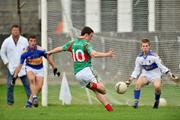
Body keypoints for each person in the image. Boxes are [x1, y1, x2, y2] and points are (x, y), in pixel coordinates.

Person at [47, 26, 114, 112]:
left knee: (96, 91)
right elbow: (94, 54)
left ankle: (109, 109)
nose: (90, 39)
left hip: (78, 75)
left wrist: (50, 52)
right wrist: (107, 54)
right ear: (86, 35)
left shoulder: (73, 43)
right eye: (90, 36)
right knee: (103, 90)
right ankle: (92, 84)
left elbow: (60, 48)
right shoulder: (86, 44)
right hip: (87, 70)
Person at [126, 38, 176, 109]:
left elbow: (161, 66)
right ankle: (136, 103)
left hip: (156, 74)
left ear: (149, 46)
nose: (145, 48)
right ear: (141, 47)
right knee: (137, 84)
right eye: (143, 46)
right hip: (145, 74)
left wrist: (170, 74)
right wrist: (130, 79)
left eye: (146, 46)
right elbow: (136, 70)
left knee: (157, 87)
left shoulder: (154, 56)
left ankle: (156, 101)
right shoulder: (138, 58)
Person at [13, 35, 59, 108]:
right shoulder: (25, 52)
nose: (33, 43)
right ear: (28, 42)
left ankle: (29, 102)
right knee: (32, 79)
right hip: (29, 68)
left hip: (40, 69)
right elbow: (20, 65)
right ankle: (35, 98)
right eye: (31, 41)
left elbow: (48, 58)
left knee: (39, 87)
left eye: (34, 41)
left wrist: (54, 68)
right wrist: (15, 76)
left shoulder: (40, 50)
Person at [0, 24, 31, 105]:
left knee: (27, 85)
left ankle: (30, 101)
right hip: (12, 68)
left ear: (19, 31)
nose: (15, 32)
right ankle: (10, 102)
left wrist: (28, 62)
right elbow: (2, 52)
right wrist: (6, 63)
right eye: (14, 30)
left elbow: (28, 51)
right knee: (9, 86)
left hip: (23, 67)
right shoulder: (7, 41)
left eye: (17, 30)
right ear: (11, 31)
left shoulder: (24, 40)